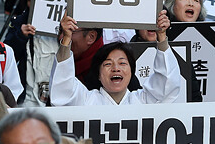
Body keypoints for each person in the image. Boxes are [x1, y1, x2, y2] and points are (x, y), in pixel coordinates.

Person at [51, 13, 185, 106]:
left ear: (131, 72)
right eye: (108, 64)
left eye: (122, 63)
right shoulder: (86, 101)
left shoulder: (143, 101)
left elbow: (166, 85)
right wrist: (67, 38)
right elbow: (63, 88)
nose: (116, 68)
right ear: (98, 74)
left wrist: (161, 36)